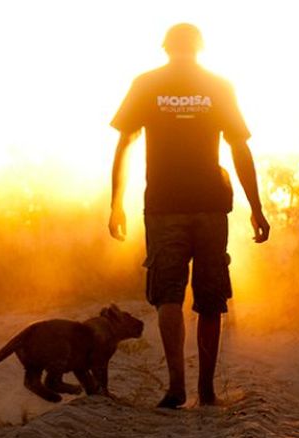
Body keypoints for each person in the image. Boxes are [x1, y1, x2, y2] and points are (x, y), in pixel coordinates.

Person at [108, 23, 270, 408]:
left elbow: (124, 144)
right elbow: (240, 149)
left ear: (165, 48)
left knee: (168, 295)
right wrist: (257, 207)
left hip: (164, 205)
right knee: (211, 299)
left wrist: (115, 202)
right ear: (200, 48)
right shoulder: (218, 85)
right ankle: (207, 391)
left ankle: (176, 387)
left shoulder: (146, 83)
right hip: (211, 206)